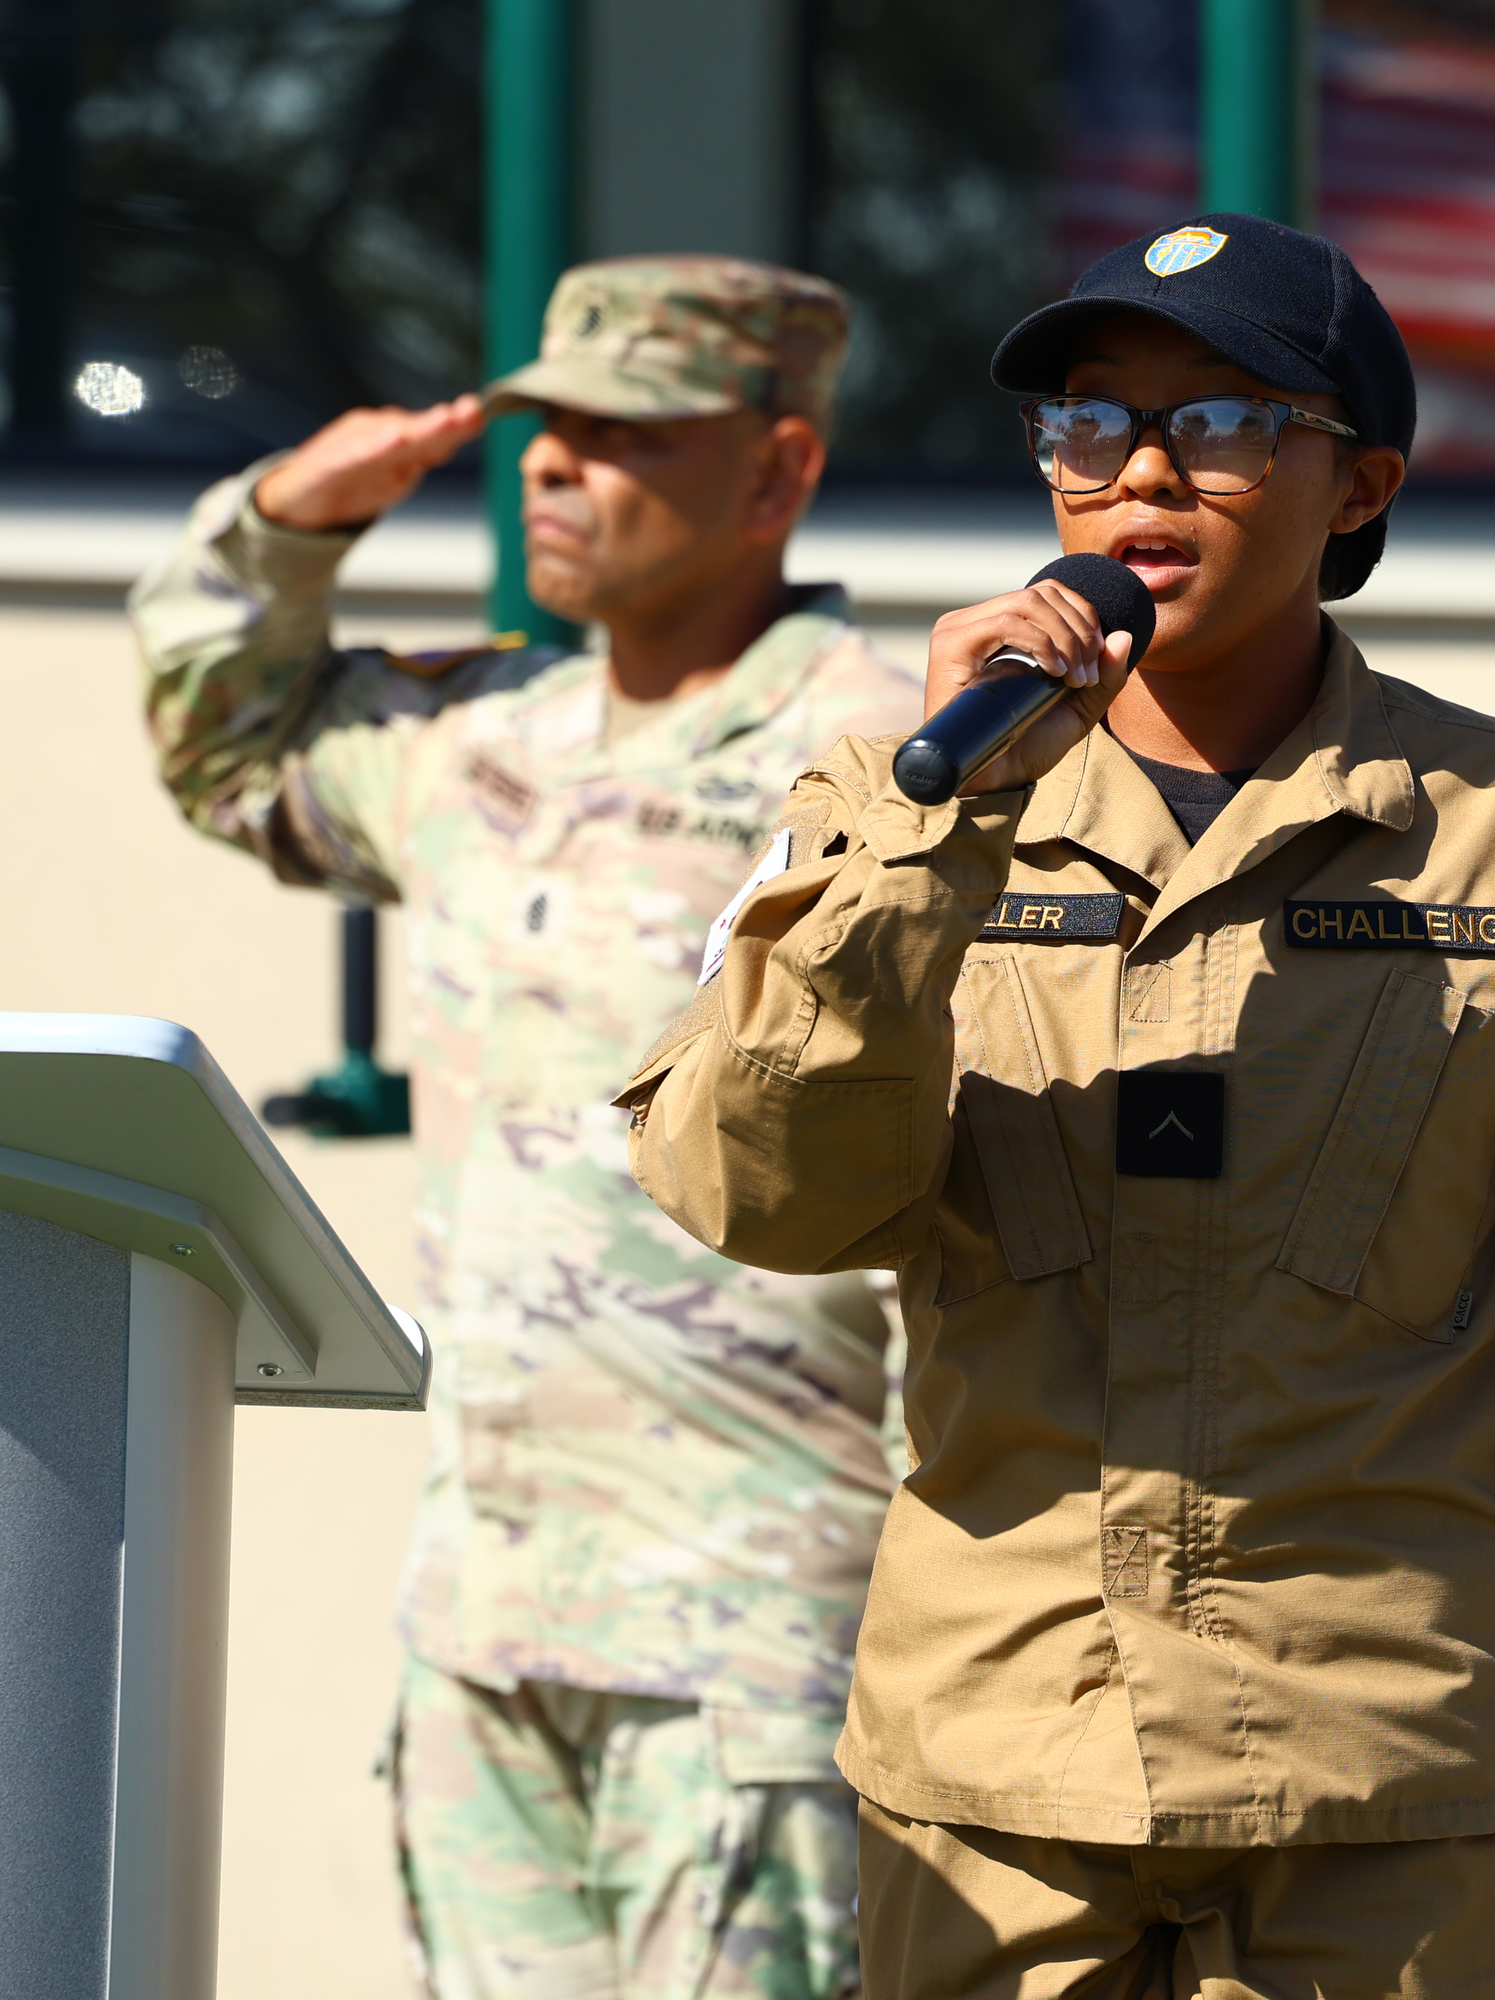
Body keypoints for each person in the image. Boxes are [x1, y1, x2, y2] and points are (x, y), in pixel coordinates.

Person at [618, 216, 1495, 2000]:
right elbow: (756, 1198)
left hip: (1384, 1813)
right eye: (1088, 424)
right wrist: (936, 844)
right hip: (993, 1801)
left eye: (1227, 420)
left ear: (1357, 484)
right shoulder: (893, 803)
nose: (1143, 470)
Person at [132, 256, 923, 2000]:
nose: (554, 466)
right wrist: (282, 517)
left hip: (748, 1636)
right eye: (543, 427)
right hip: (482, 1620)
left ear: (777, 472)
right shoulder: (485, 730)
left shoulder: (883, 757)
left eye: (622, 434)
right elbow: (223, 737)